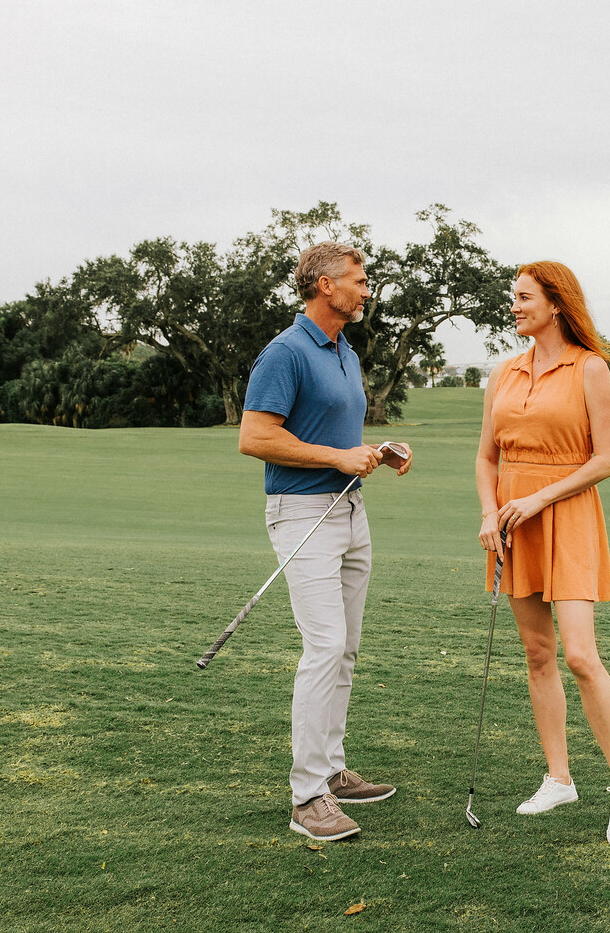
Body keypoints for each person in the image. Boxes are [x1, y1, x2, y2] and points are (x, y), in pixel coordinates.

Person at [238, 241, 413, 842]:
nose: (366, 289)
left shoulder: (345, 352)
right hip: (301, 512)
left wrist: (377, 453)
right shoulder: (284, 352)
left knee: (346, 648)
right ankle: (306, 796)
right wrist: (339, 456)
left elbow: (340, 434)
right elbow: (256, 437)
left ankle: (334, 771)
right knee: (324, 646)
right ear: (322, 285)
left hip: (349, 510)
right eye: (357, 280)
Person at [475, 261, 610, 849]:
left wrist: (540, 496)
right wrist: (490, 513)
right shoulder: (505, 372)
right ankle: (558, 777)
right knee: (537, 654)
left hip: (564, 517)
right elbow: (487, 457)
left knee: (578, 654)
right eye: (513, 298)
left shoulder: (591, 369)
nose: (514, 306)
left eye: (523, 298)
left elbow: (607, 460)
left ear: (556, 304)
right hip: (511, 524)